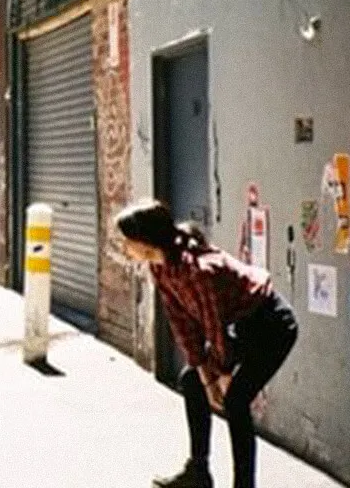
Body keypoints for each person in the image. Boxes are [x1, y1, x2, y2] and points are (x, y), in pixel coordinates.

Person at [118, 200, 298, 488]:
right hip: (237, 326)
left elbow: (213, 326)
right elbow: (183, 326)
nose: (124, 248)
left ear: (145, 240)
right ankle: (198, 471)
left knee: (236, 401)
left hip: (271, 326)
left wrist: (221, 375)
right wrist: (206, 378)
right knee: (191, 380)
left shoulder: (199, 270)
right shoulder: (160, 267)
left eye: (127, 241)